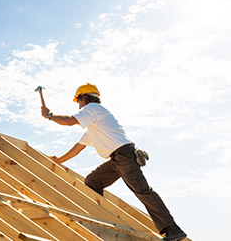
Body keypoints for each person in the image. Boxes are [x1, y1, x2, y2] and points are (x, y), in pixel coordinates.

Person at [41, 83, 187, 241]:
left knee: (143, 191)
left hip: (123, 156)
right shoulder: (96, 123)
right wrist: (59, 160)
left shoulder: (93, 110)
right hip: (117, 159)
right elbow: (78, 147)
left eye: (78, 101)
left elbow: (69, 121)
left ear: (84, 98)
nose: (78, 105)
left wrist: (50, 115)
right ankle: (101, 216)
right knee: (93, 181)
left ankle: (172, 229)